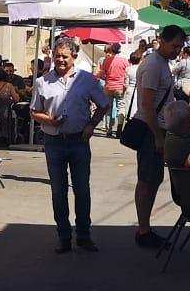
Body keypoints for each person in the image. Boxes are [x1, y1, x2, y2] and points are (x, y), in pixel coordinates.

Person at [31, 40, 109, 253]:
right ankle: (64, 236)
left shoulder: (87, 80)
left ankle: (83, 235)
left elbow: (104, 104)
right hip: (54, 142)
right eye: (57, 55)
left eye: (65, 56)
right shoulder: (42, 82)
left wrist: (91, 125)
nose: (60, 60)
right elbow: (34, 111)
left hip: (79, 142)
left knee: (82, 190)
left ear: (74, 57)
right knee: (58, 191)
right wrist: (49, 120)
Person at [132, 25, 187, 250]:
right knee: (147, 179)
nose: (177, 50)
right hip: (150, 130)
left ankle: (144, 228)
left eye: (180, 47)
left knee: (153, 179)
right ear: (162, 41)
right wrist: (157, 137)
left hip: (157, 129)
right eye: (174, 46)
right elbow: (147, 105)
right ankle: (143, 230)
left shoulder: (162, 63)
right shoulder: (154, 65)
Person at [98, 43, 129, 136]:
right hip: (120, 87)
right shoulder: (124, 61)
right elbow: (127, 74)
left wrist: (107, 78)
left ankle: (109, 130)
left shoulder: (106, 60)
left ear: (111, 50)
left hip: (109, 86)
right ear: (119, 50)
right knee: (121, 107)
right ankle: (119, 128)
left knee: (109, 109)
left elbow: (102, 74)